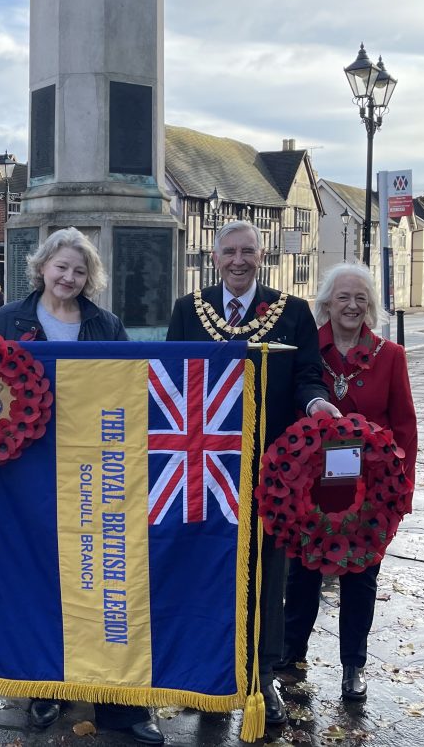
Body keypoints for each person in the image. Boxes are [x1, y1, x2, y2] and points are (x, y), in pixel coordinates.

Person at [0, 227, 160, 746]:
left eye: (78, 271)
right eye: (61, 267)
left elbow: (129, 387)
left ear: (88, 277)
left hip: (97, 468)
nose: (68, 278)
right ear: (42, 267)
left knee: (104, 577)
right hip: (30, 468)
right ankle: (44, 685)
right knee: (41, 575)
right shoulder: (10, 320)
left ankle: (115, 699)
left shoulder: (106, 323)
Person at [165, 220, 338, 728]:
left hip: (271, 468)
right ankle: (209, 676)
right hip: (207, 467)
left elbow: (308, 375)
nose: (238, 261)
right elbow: (174, 380)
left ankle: (263, 678)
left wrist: (316, 404)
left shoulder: (294, 312)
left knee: (267, 574)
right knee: (210, 571)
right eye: (229, 253)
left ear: (261, 258)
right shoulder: (187, 311)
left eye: (248, 252)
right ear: (215, 258)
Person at [279, 263, 417, 703]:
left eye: (360, 298)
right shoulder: (306, 351)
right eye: (343, 297)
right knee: (301, 576)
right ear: (326, 303)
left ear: (371, 306)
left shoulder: (390, 356)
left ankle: (352, 666)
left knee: (361, 577)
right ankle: (289, 660)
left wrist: (402, 492)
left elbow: (405, 426)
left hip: (370, 494)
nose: (352, 305)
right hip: (310, 490)